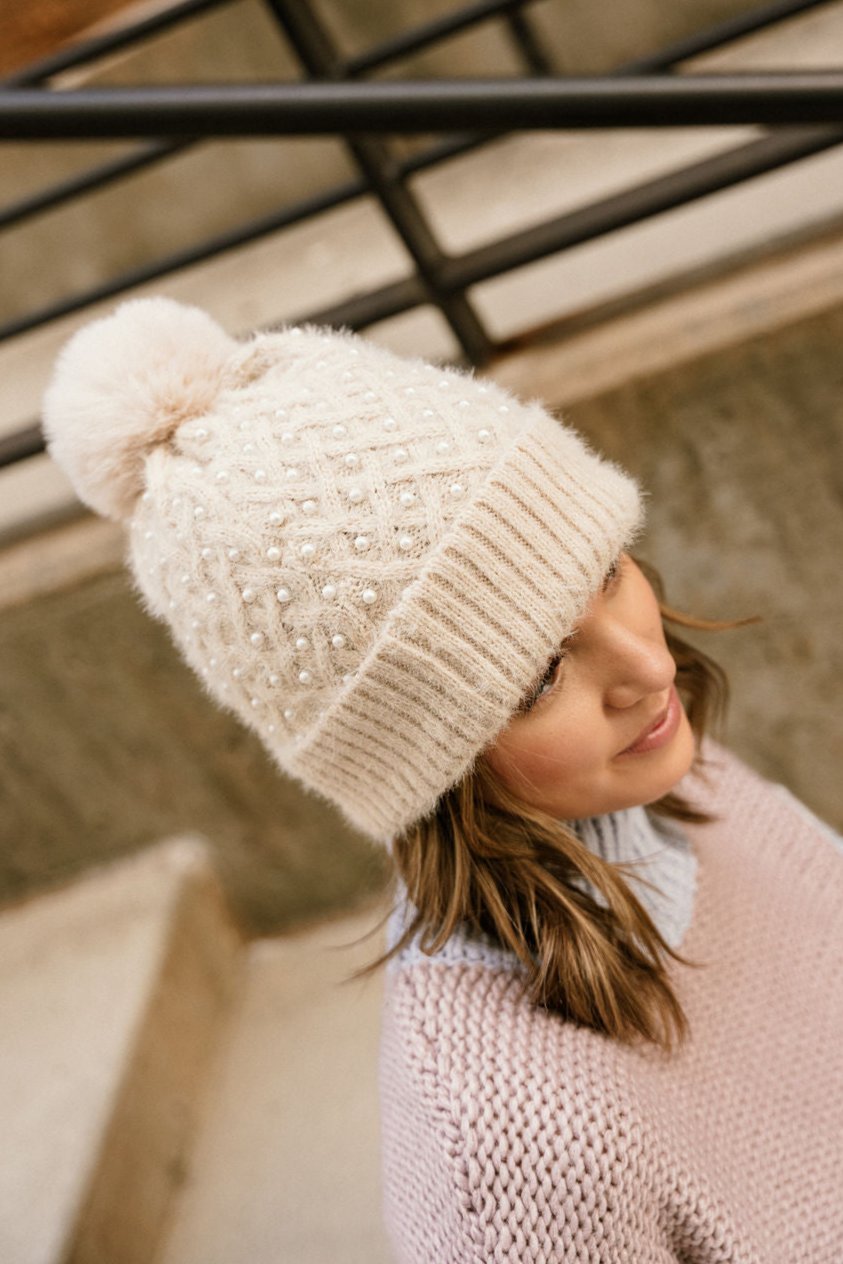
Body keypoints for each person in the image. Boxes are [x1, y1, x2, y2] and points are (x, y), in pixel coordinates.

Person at [43, 297, 843, 1262]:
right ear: (416, 759)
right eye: (539, 672)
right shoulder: (509, 1150)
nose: (649, 665)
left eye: (604, 571)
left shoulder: (673, 781)